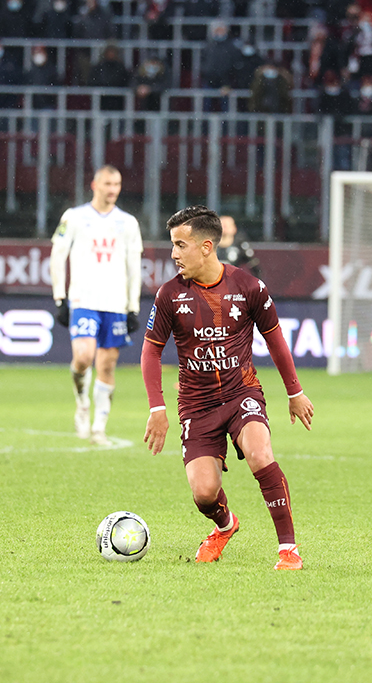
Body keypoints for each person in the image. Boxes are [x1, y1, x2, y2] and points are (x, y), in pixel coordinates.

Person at [141, 205, 313, 570]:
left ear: (206, 247)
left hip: (241, 394)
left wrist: (294, 392)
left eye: (180, 245)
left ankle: (288, 549)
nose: (173, 254)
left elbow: (276, 341)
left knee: (260, 454)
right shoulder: (169, 294)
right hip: (197, 404)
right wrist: (157, 408)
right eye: (173, 245)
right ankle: (224, 525)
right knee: (204, 494)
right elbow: (151, 352)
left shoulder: (248, 287)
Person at [50, 165, 143, 446]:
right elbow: (57, 256)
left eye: (117, 184)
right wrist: (60, 297)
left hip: (115, 303)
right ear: (95, 185)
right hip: (83, 300)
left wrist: (133, 306)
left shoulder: (128, 223)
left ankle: (99, 428)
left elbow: (134, 266)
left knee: (107, 365)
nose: (113, 189)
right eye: (107, 184)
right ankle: (82, 404)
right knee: (83, 357)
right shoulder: (74, 217)